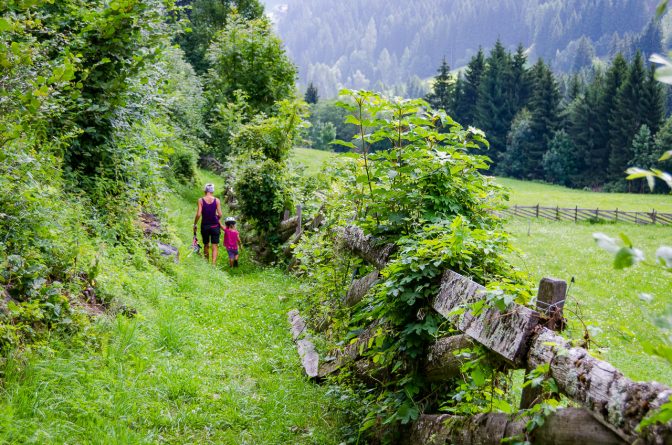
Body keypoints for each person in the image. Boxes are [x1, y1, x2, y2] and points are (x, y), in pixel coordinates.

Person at [193, 183, 225, 264]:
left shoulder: (201, 200)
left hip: (205, 226)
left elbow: (199, 214)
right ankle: (213, 264)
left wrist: (195, 224)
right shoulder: (217, 200)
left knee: (206, 244)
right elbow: (220, 214)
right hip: (215, 226)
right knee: (215, 245)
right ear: (213, 191)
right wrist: (216, 218)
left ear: (205, 190)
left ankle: (207, 262)